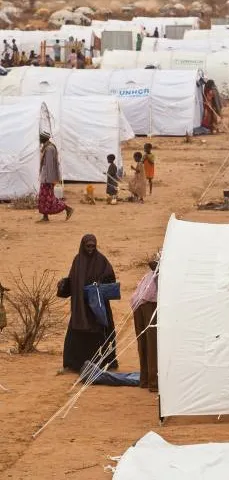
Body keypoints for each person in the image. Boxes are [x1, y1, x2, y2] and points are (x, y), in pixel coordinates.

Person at [59, 234, 119, 372]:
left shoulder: (101, 260)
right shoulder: (78, 260)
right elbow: (72, 280)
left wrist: (100, 282)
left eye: (93, 246)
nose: (90, 249)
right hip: (81, 307)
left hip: (98, 307)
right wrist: (64, 284)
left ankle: (104, 363)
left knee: (101, 333)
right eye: (88, 246)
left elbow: (110, 278)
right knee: (77, 335)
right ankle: (74, 365)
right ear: (83, 246)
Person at [131, 260, 158, 391]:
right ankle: (151, 381)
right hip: (147, 305)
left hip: (142, 304)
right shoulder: (153, 276)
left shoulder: (151, 276)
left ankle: (148, 380)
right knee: (150, 344)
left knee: (148, 344)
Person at [38, 132, 74, 222]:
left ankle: (67, 208)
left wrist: (48, 179)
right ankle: (45, 217)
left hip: (47, 178)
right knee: (44, 198)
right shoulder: (47, 147)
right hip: (46, 177)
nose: (39, 139)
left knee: (48, 198)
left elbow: (50, 165)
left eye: (40, 137)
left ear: (44, 138)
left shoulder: (49, 148)